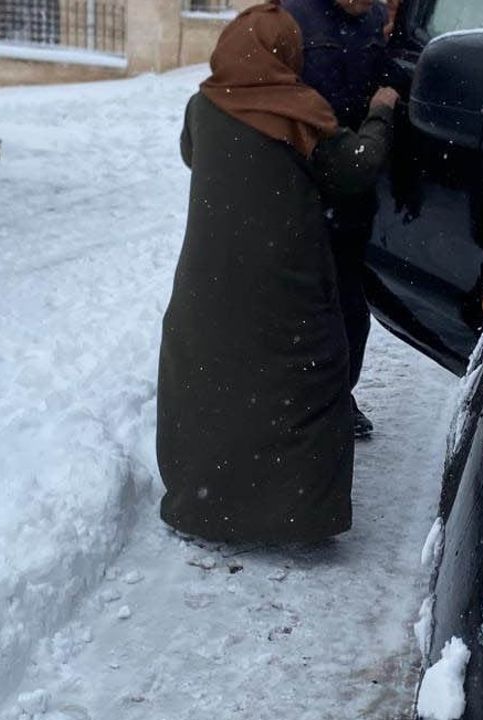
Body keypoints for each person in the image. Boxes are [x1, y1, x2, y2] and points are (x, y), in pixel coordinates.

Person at [156, 2, 399, 544]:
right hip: (283, 279)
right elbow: (355, 167)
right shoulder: (299, 112)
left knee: (212, 378)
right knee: (307, 371)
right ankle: (295, 514)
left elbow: (192, 154)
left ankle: (204, 502)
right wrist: (381, 111)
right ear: (283, 55)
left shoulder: (203, 106)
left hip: (208, 283)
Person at [279, 0, 393, 439]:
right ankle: (298, 407)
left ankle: (337, 395)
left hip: (353, 194)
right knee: (303, 312)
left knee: (350, 311)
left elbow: (384, 76)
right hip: (305, 191)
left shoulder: (374, 18)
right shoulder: (292, 16)